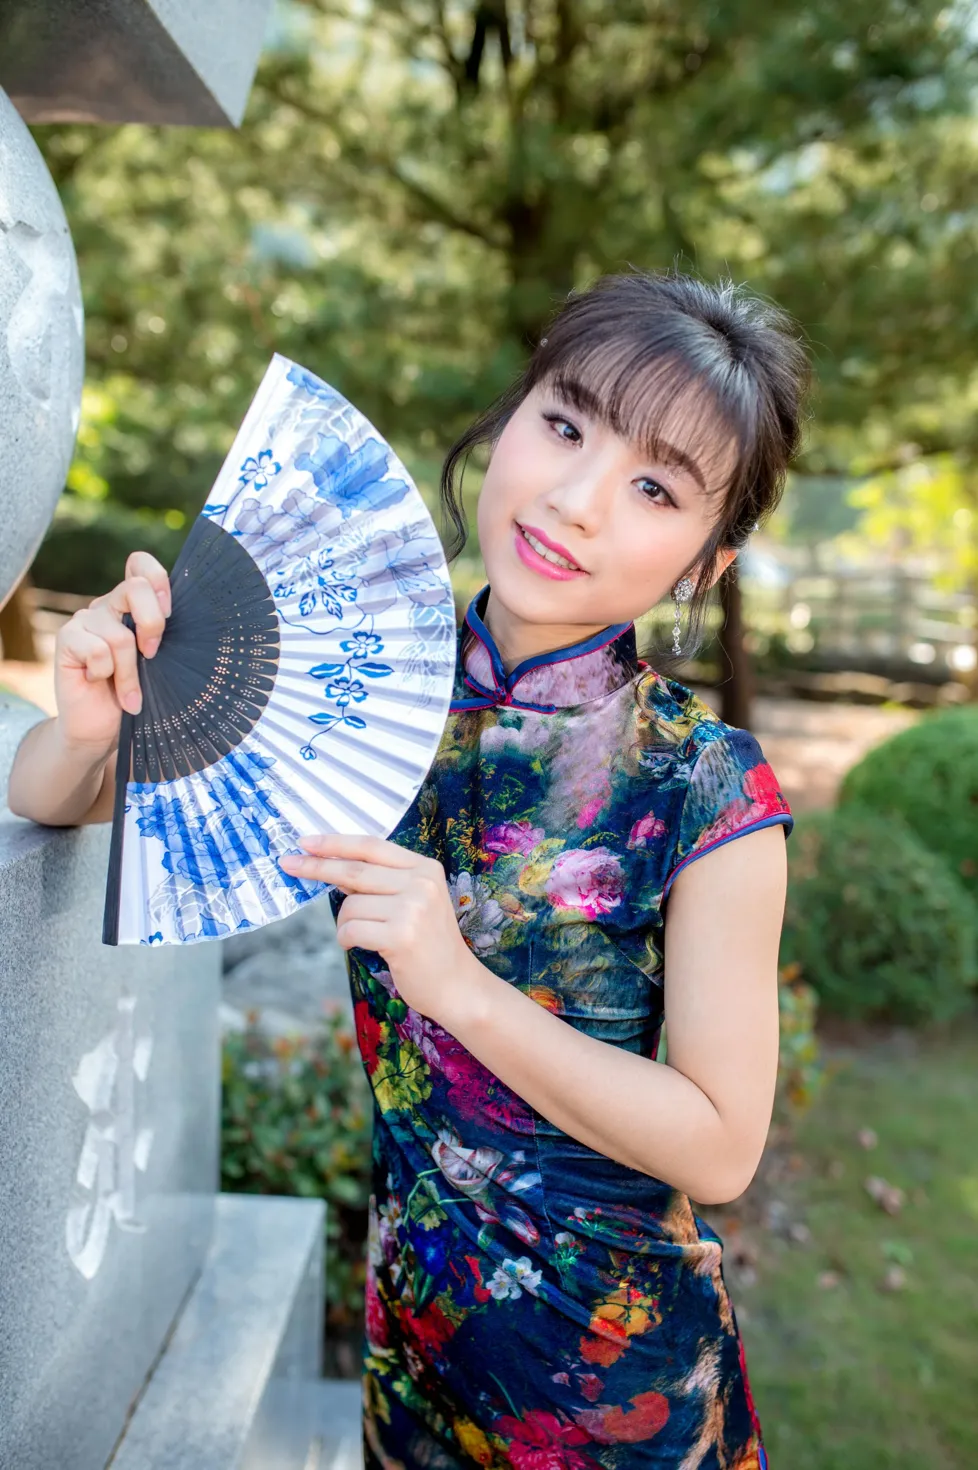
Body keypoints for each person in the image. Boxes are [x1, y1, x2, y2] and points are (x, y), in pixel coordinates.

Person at [8, 269, 809, 1468]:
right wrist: (88, 718)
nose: (579, 498)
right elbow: (51, 798)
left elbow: (720, 1144)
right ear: (509, 416)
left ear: (706, 561)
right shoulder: (351, 687)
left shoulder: (705, 787)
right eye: (565, 422)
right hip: (414, 1358)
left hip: (612, 1398)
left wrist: (462, 989)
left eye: (654, 486)